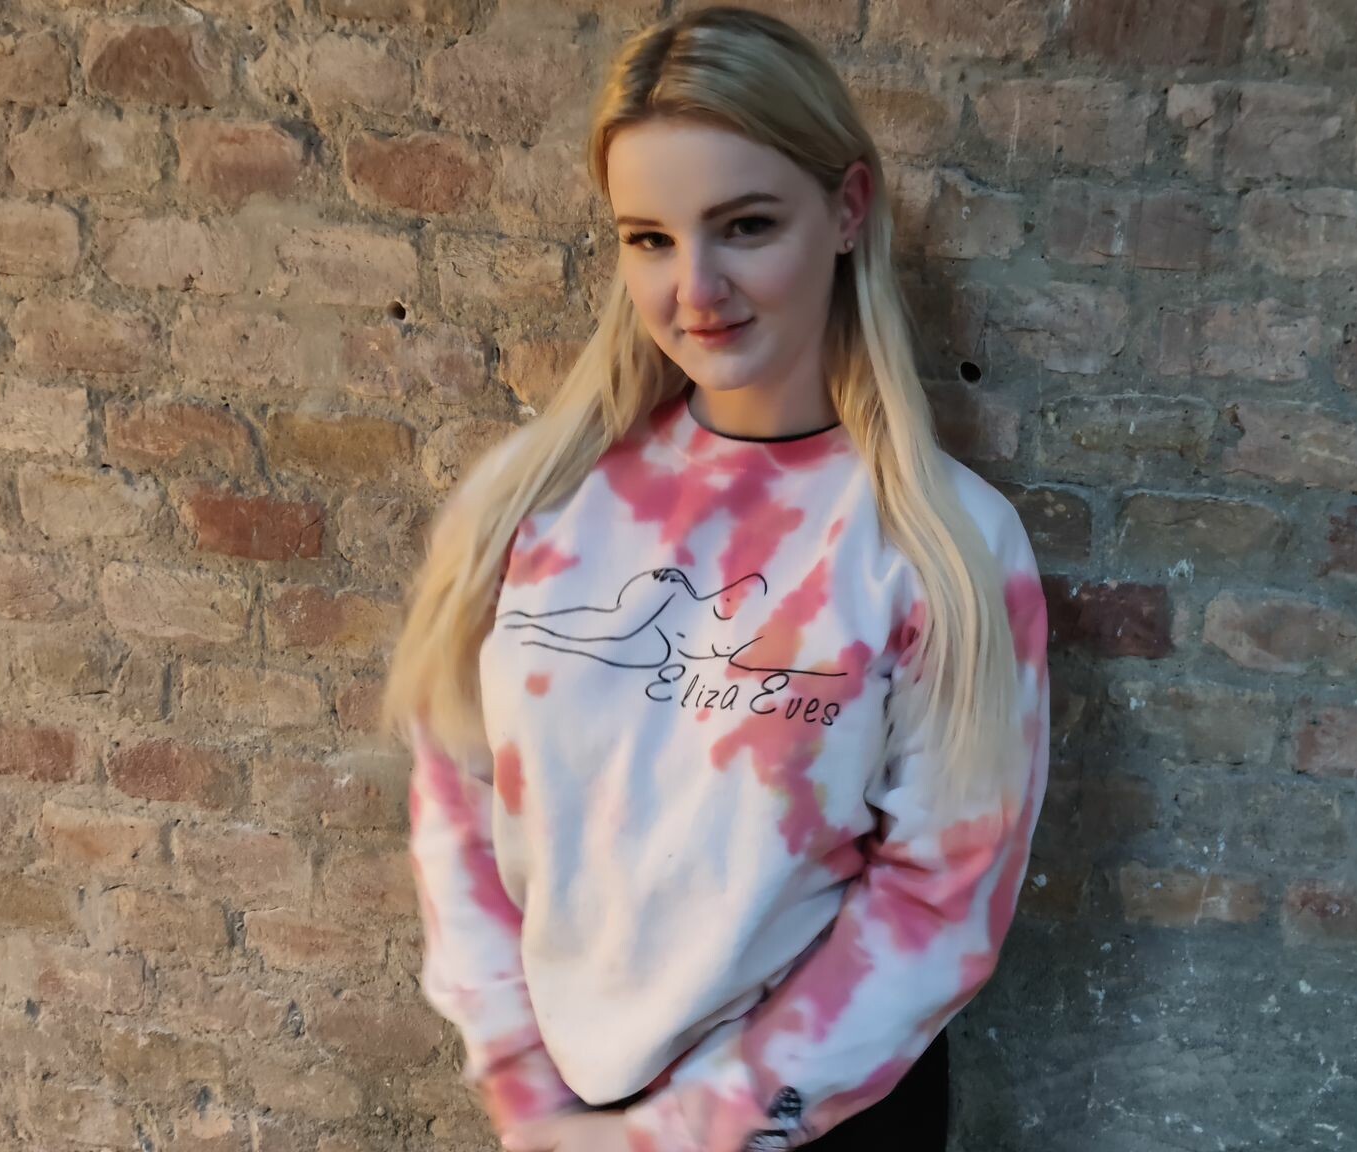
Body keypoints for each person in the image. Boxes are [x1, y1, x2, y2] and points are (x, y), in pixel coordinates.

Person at [380, 8, 1053, 1151]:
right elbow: (456, 813)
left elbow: (938, 903)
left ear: (847, 210)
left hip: (818, 1117)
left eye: (745, 226)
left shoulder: (946, 545)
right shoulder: (526, 502)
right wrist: (528, 1096)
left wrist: (684, 1135)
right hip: (568, 1117)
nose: (696, 288)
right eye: (648, 238)